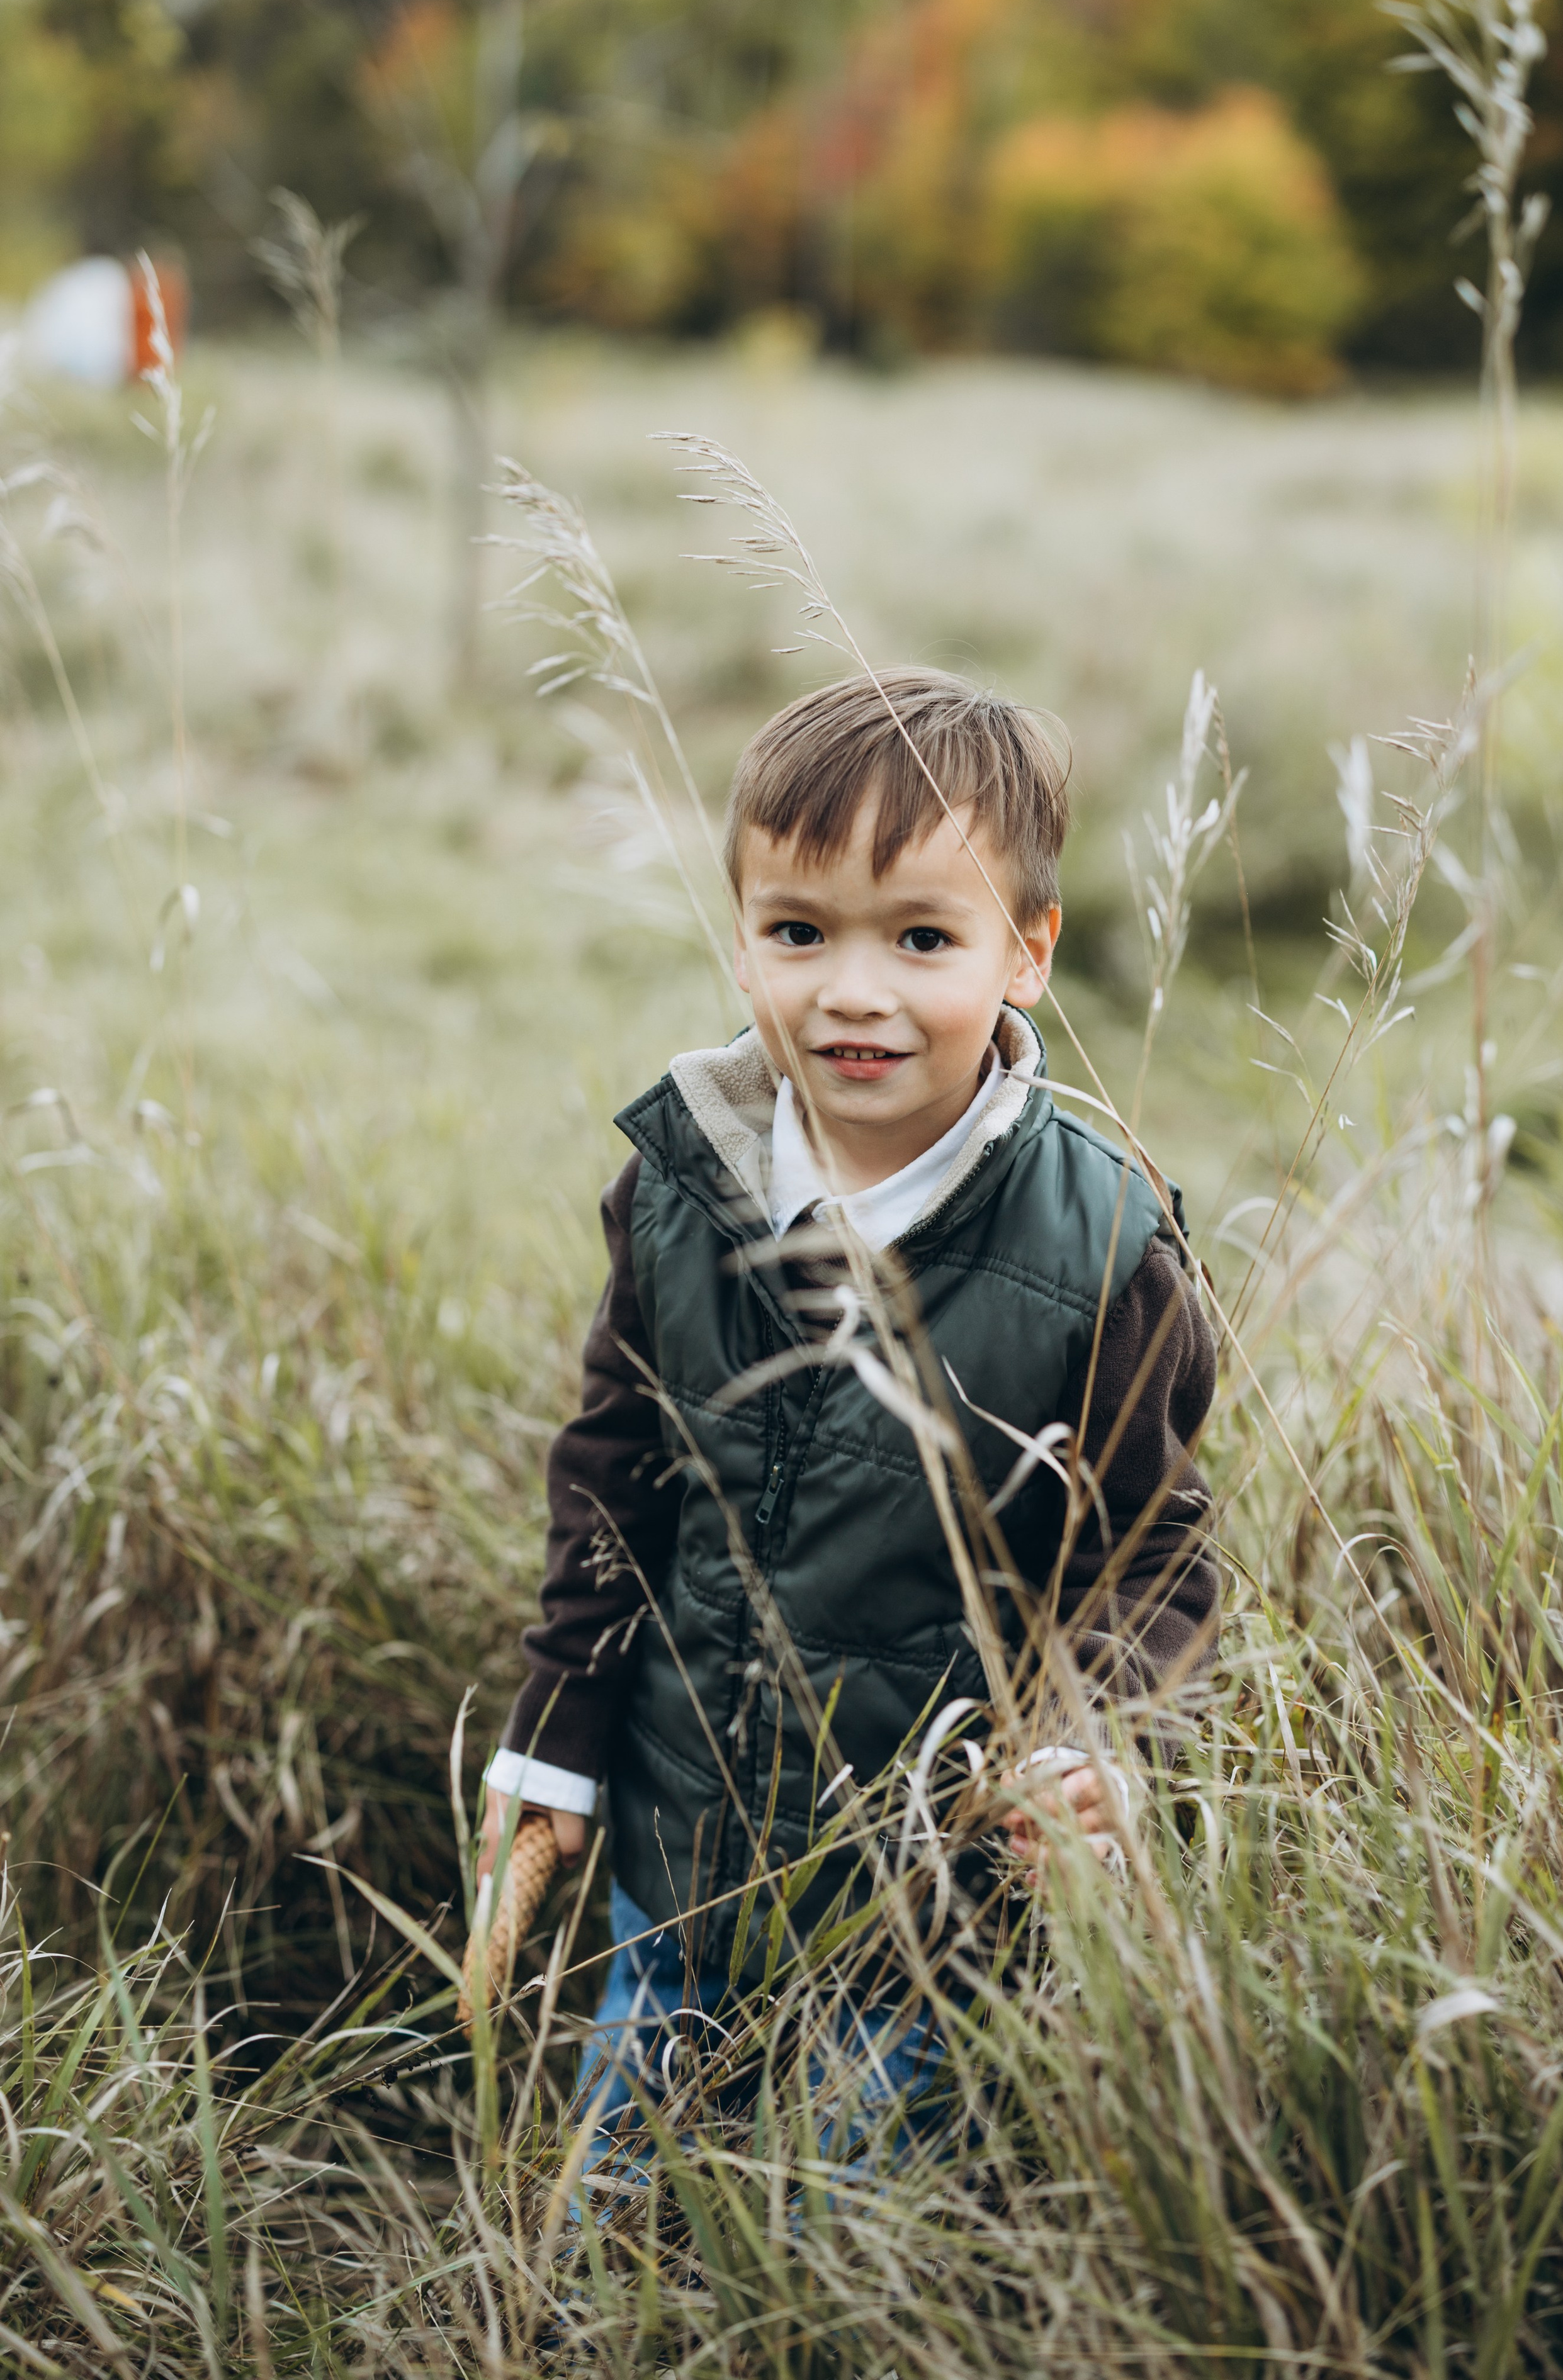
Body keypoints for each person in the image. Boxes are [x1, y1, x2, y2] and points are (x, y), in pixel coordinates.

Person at [477, 668, 1219, 2178]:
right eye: (799, 932)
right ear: (740, 935)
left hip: (920, 1917)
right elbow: (613, 1481)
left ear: (1026, 954)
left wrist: (1094, 1741)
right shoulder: (680, 1183)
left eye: (922, 939)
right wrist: (555, 1747)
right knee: (616, 2217)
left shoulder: (1101, 1243)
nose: (852, 991)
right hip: (675, 1863)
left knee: (837, 2235)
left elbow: (1150, 1558)